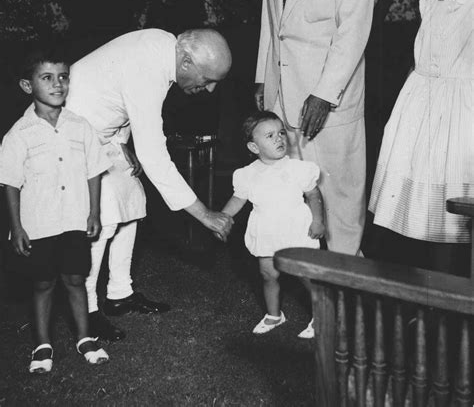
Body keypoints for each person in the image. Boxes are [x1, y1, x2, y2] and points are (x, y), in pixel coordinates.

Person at [66, 27, 234, 341]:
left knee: (130, 200)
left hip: (103, 136)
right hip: (70, 137)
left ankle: (119, 293)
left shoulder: (162, 46)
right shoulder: (150, 66)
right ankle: (84, 311)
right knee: (102, 218)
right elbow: (154, 155)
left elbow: (117, 96)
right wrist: (204, 214)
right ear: (185, 62)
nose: (210, 90)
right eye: (207, 79)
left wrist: (121, 141)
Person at [254, 0, 374, 256]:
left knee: (339, 202)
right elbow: (271, 24)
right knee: (298, 200)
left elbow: (353, 32)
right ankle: (313, 287)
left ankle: (345, 291)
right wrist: (262, 78)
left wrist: (324, 95)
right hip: (283, 99)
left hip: (329, 104)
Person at [369, 0, 474, 277]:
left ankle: (450, 307)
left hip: (461, 116)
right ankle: (424, 302)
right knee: (418, 212)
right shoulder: (429, 4)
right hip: (421, 110)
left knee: (453, 216)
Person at [0, 50, 111, 373]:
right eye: (47, 77)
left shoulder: (80, 126)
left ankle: (85, 338)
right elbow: (10, 184)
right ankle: (42, 346)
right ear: (26, 84)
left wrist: (93, 213)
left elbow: (94, 171)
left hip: (74, 219)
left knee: (76, 278)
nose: (58, 84)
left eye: (63, 76)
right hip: (39, 222)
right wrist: (17, 227)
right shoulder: (19, 134)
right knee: (43, 282)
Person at [222, 111, 325, 338]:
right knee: (268, 274)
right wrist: (223, 218)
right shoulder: (247, 174)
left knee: (305, 274)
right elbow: (238, 199)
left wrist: (318, 220)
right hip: (267, 231)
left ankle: (322, 315)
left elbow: (314, 195)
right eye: (269, 136)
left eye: (280, 133)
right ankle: (274, 315)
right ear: (254, 148)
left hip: (297, 229)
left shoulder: (297, 168)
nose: (279, 138)